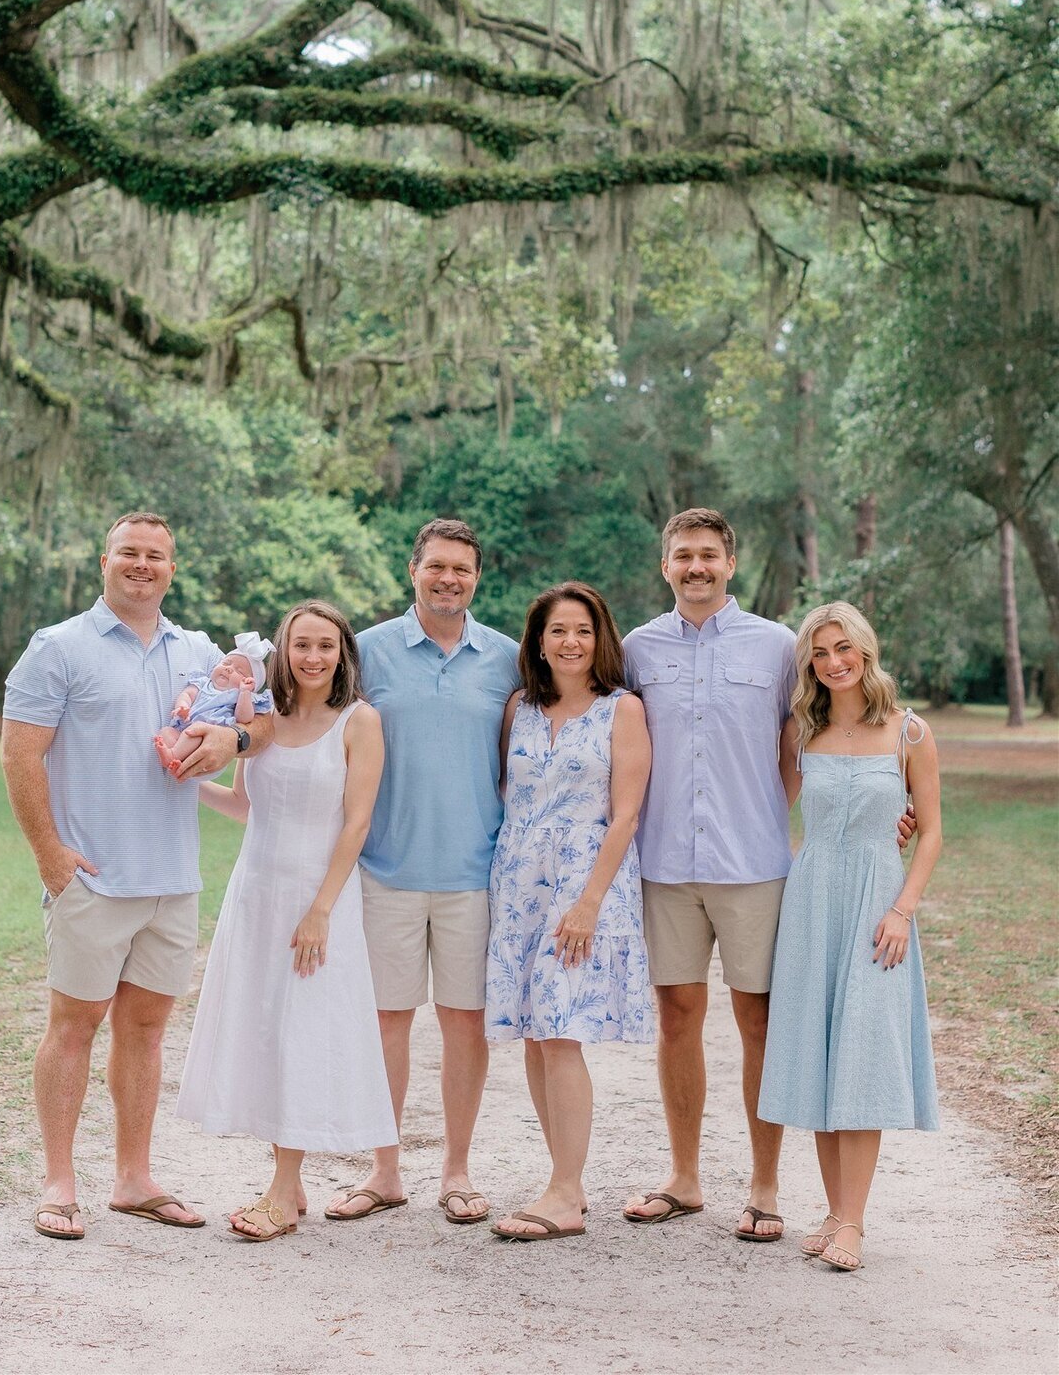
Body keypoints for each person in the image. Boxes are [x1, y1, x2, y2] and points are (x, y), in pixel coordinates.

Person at [1, 512, 268, 1242]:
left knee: (145, 1032)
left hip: (172, 879)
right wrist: (51, 855)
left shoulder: (200, 651)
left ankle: (134, 1179)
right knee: (73, 1026)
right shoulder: (58, 647)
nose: (142, 565)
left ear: (172, 569)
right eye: (129, 553)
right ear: (105, 561)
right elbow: (20, 754)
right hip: (91, 877)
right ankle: (60, 1182)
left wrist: (233, 737)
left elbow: (264, 723)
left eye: (156, 556)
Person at [177, 601, 396, 1240]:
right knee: (267, 1027)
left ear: (343, 652)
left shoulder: (359, 721)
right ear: (283, 650)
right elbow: (246, 806)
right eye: (301, 645)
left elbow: (357, 823)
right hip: (257, 893)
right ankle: (290, 1186)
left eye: (326, 645)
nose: (313, 657)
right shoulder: (263, 721)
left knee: (302, 1031)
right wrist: (181, 779)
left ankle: (280, 1191)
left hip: (317, 899)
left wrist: (321, 910)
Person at [326, 519, 520, 1225]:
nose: (448, 579)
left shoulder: (507, 658)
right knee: (387, 1022)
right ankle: (384, 1171)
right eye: (437, 566)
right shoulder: (366, 652)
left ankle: (457, 1171)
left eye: (461, 569)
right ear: (413, 570)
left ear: (477, 578)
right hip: (385, 869)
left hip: (477, 872)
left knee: (466, 1024)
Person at [621, 507, 797, 1240]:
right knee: (676, 1017)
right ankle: (685, 1178)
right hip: (664, 864)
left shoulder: (779, 647)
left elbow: (800, 743)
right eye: (683, 555)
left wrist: (764, 812)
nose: (696, 567)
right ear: (665, 565)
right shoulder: (635, 650)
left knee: (759, 1020)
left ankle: (764, 1184)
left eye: (708, 555)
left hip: (753, 864)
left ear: (730, 563)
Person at [758, 602, 941, 1272]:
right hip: (811, 904)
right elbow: (771, 809)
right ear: (809, 663)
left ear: (865, 649)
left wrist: (902, 910)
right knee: (819, 1054)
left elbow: (932, 831)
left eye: (844, 648)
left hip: (876, 907)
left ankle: (855, 1223)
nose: (833, 662)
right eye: (820, 652)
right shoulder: (801, 732)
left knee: (861, 1056)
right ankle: (834, 1213)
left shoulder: (909, 732)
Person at [486, 582, 653, 1243]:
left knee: (559, 1030)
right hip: (519, 884)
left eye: (583, 630)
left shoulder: (623, 710)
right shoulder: (520, 708)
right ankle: (565, 1181)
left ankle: (563, 1192)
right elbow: (510, 792)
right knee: (535, 1029)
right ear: (538, 641)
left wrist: (588, 903)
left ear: (600, 638)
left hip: (586, 887)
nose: (570, 642)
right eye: (557, 630)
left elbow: (627, 814)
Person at [152, 638, 273, 773]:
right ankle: (176, 759)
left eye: (240, 672)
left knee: (196, 729)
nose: (228, 669)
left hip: (203, 737)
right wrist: (182, 706)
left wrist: (245, 692)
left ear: (249, 683)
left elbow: (244, 718)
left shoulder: (238, 696)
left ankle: (173, 755)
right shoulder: (203, 683)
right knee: (166, 732)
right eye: (226, 663)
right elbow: (187, 694)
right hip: (183, 729)